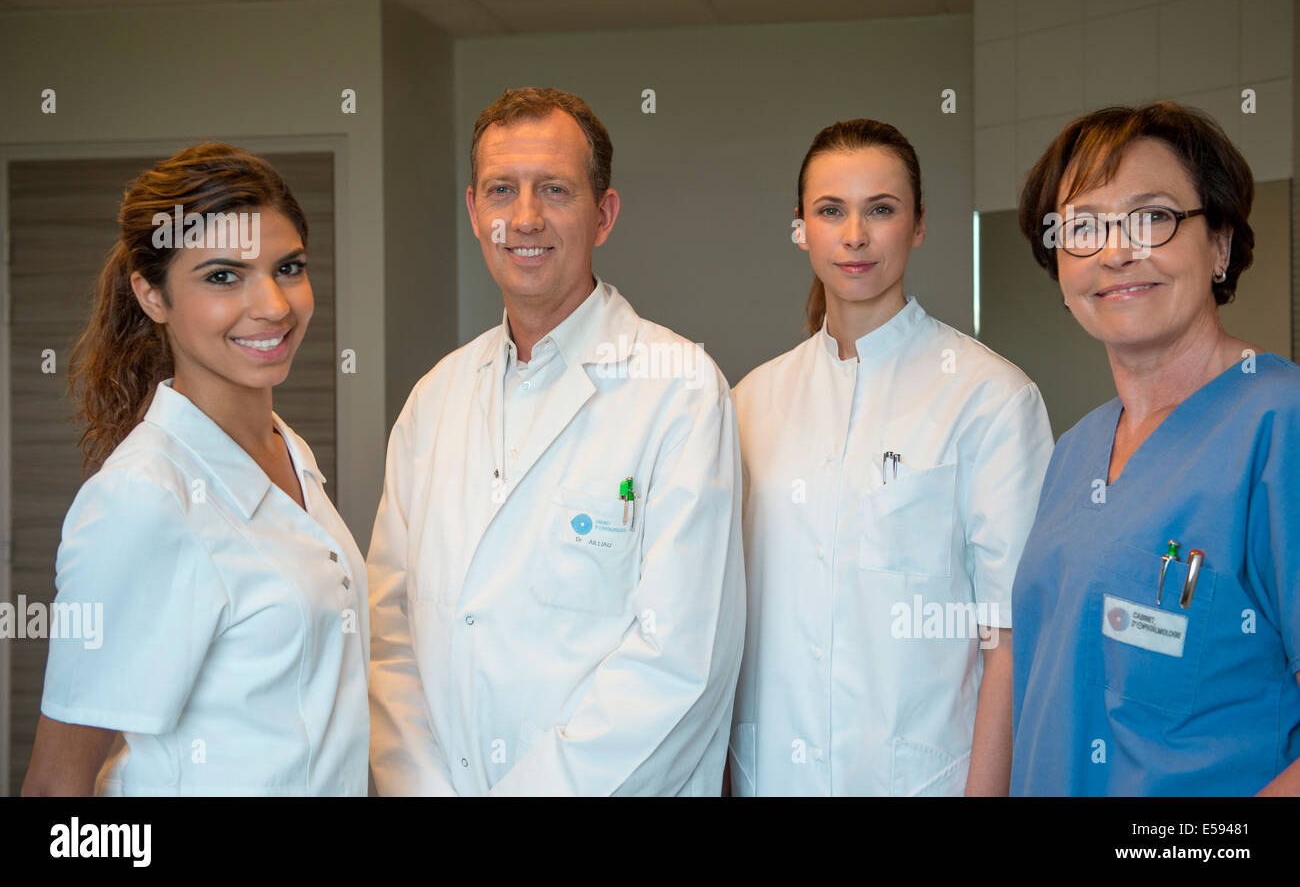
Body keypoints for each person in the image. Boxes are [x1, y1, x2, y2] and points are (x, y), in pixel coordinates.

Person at [366, 86, 745, 796]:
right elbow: (391, 639)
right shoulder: (434, 401)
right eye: (502, 190)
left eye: (555, 190)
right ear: (475, 212)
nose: (526, 217)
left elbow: (682, 660)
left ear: (603, 215)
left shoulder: (680, 388)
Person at [22, 143, 369, 796]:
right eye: (222, 276)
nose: (273, 304)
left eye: (287, 267)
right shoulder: (142, 498)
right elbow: (54, 789)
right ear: (152, 295)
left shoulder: (287, 451)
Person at [728, 119, 1053, 796]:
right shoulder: (749, 402)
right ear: (801, 228)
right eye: (830, 211)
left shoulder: (991, 398)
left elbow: (1013, 641)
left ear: (920, 224)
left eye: (880, 209)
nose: (854, 235)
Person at [1011, 101, 1300, 796]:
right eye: (1082, 227)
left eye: (1152, 218)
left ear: (1221, 244)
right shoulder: (1075, 453)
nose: (1115, 251)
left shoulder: (1279, 425)